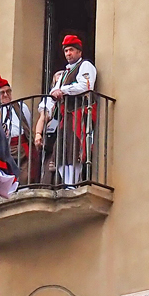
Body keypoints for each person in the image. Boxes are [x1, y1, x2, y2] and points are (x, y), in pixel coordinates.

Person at [32, 34, 97, 186]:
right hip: (66, 117)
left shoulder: (86, 66)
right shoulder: (65, 73)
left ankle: (72, 183)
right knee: (61, 150)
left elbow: (86, 85)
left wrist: (63, 90)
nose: (68, 53)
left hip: (79, 114)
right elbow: (52, 94)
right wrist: (42, 120)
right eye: (66, 51)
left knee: (76, 149)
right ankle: (67, 183)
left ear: (79, 52)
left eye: (71, 50)